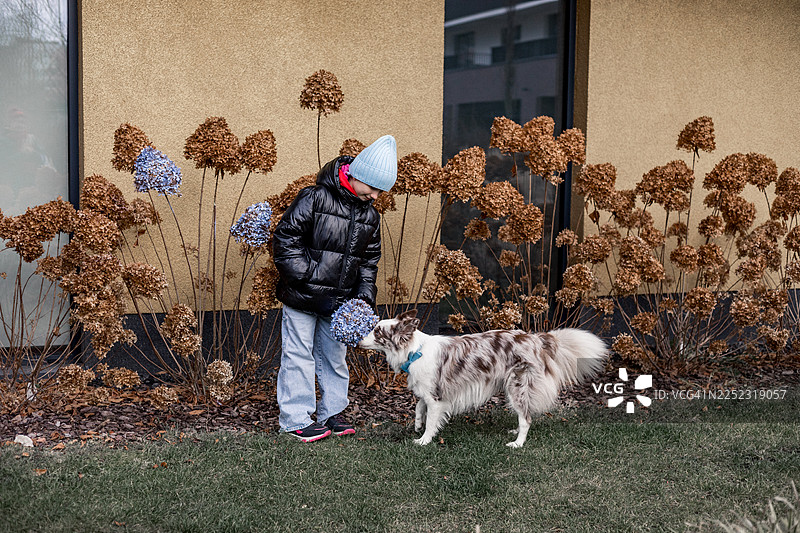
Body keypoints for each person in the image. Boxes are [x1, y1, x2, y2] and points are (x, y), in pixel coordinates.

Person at [272, 135, 397, 442]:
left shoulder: (370, 215)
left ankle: (332, 412)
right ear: (358, 176)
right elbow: (285, 240)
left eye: (382, 190)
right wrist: (307, 277)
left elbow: (368, 261)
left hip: (339, 304)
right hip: (302, 297)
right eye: (374, 187)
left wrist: (364, 298)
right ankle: (296, 419)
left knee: (333, 356)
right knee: (298, 356)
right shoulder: (314, 198)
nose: (377, 196)